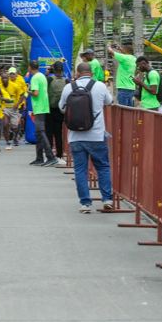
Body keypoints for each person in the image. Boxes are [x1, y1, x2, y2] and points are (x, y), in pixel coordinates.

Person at [59, 63, 115, 213]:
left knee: (80, 170)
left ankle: (85, 203)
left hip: (75, 137)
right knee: (102, 167)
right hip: (96, 135)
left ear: (77, 73)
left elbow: (62, 108)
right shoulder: (100, 86)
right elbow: (109, 102)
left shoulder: (68, 87)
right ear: (91, 73)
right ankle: (107, 199)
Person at [28, 60, 57, 167]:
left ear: (30, 67)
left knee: (40, 132)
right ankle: (39, 157)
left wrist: (28, 91)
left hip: (39, 108)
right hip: (44, 106)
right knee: (39, 133)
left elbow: (36, 93)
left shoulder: (35, 78)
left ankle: (50, 156)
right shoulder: (42, 76)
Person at [107, 42, 137, 107]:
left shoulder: (124, 58)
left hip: (124, 88)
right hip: (131, 88)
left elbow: (112, 52)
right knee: (129, 110)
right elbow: (126, 53)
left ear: (125, 50)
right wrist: (121, 49)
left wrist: (108, 46)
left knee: (122, 110)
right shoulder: (134, 58)